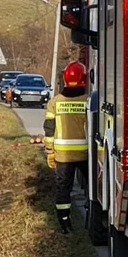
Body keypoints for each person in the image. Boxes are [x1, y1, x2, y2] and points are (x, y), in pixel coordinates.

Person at [44, 61, 89, 233]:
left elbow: (49, 128)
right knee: (92, 188)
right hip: (85, 155)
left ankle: (64, 223)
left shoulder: (54, 102)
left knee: (64, 189)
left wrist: (49, 151)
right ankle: (92, 214)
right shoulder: (88, 101)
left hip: (62, 156)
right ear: (83, 79)